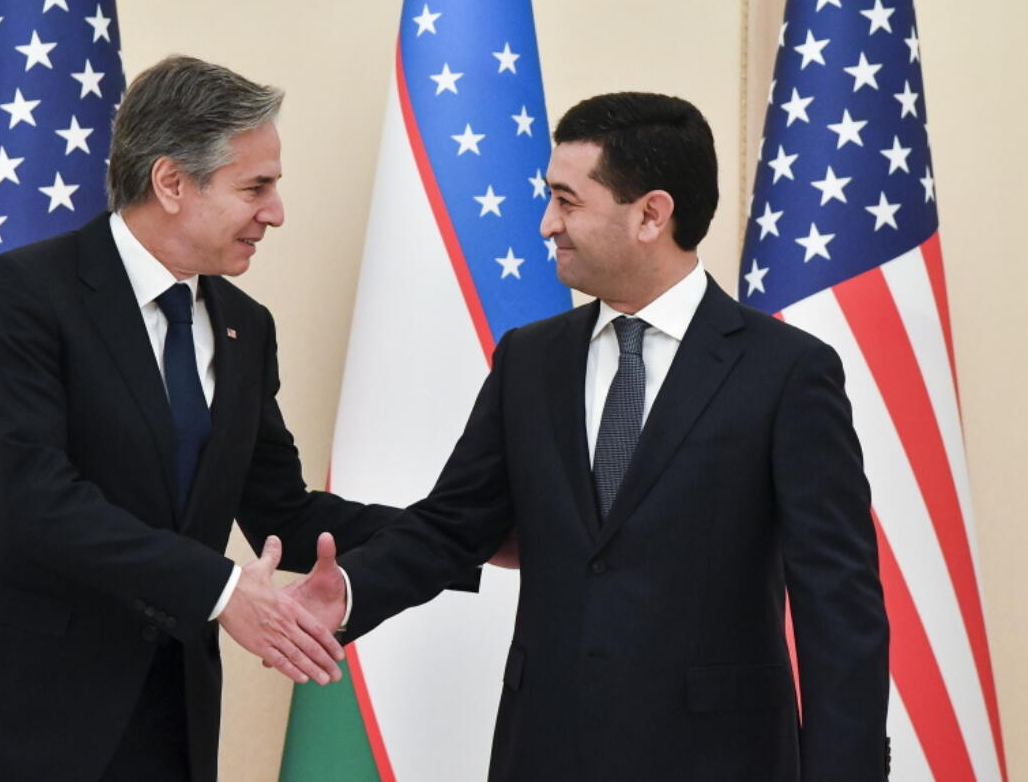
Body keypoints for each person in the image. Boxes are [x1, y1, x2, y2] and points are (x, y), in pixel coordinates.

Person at [293, 92, 891, 782]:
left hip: (720, 758)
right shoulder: (529, 359)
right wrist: (347, 590)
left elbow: (838, 604)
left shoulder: (787, 373)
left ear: (651, 214)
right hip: (544, 750)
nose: (548, 223)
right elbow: (453, 525)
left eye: (567, 200)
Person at [0, 55, 400, 782]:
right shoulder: (28, 291)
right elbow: (33, 495)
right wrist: (222, 588)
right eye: (255, 187)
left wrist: (466, 530)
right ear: (172, 182)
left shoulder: (244, 326)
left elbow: (285, 512)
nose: (276, 212)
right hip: (13, 712)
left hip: (163, 721)